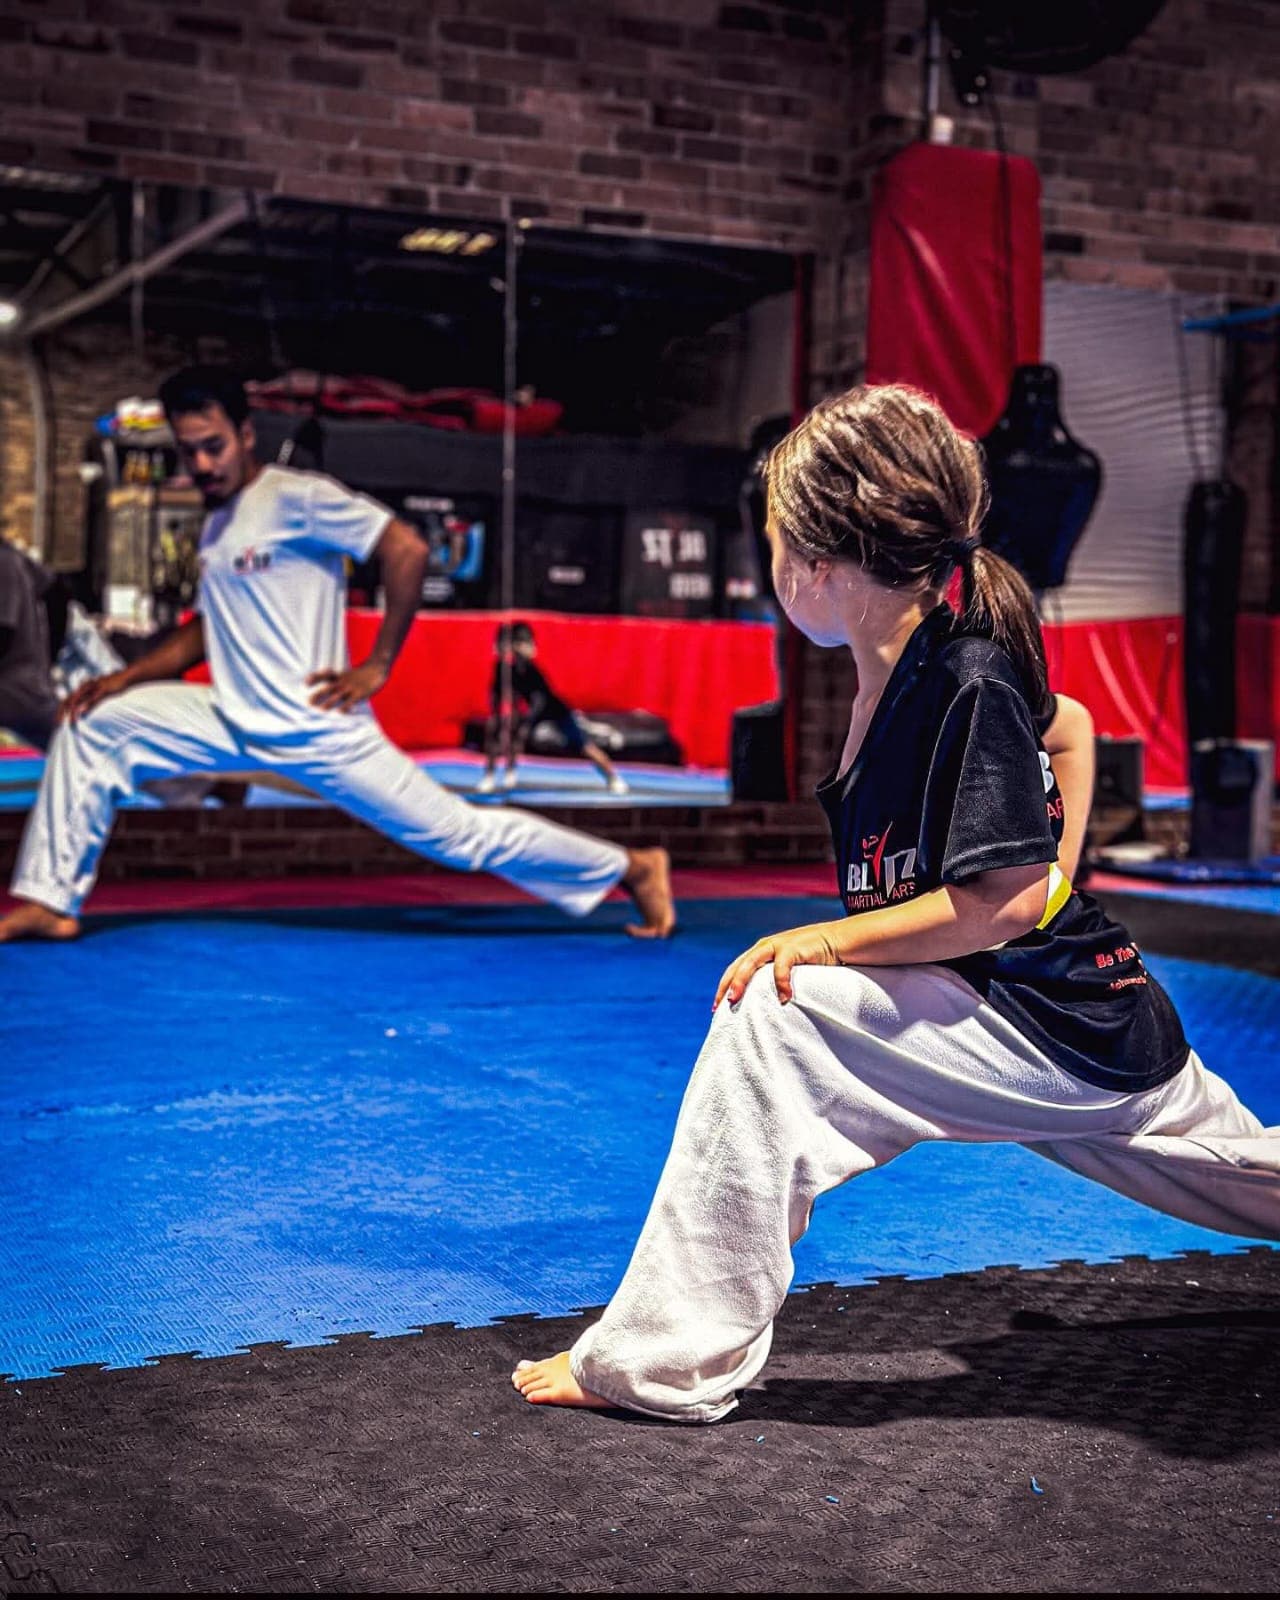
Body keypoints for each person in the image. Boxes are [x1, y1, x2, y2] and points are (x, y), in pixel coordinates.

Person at [511, 382, 1280, 1422]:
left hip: (1056, 1021)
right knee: (1235, 1174)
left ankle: (657, 1361)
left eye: (774, 544)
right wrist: (1054, 879)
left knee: (774, 1015)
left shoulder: (962, 677)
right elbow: (1070, 727)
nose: (771, 568)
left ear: (817, 565)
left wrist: (865, 932)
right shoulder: (910, 670)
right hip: (1061, 1017)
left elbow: (1002, 902)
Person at [0, 366, 675, 944]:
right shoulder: (219, 523)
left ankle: (632, 866)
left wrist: (378, 664)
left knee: (459, 836)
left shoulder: (298, 498)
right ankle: (51, 900)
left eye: (213, 447)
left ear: (245, 435)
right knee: (91, 724)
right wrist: (124, 679)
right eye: (189, 451)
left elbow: (406, 548)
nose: (202, 465)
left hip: (315, 725)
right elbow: (206, 629)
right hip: (230, 715)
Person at [477, 620, 629, 796]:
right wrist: (499, 719)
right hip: (532, 713)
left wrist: (527, 724)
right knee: (497, 730)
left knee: (585, 747)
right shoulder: (502, 669)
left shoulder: (532, 670)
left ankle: (613, 777)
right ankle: (494, 774)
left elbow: (539, 702)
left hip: (555, 712)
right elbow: (499, 697)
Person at [0, 538, 63, 751]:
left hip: (15, 688)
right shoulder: (14, 559)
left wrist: (52, 655)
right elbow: (56, 588)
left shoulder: (5, 561)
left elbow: (4, 631)